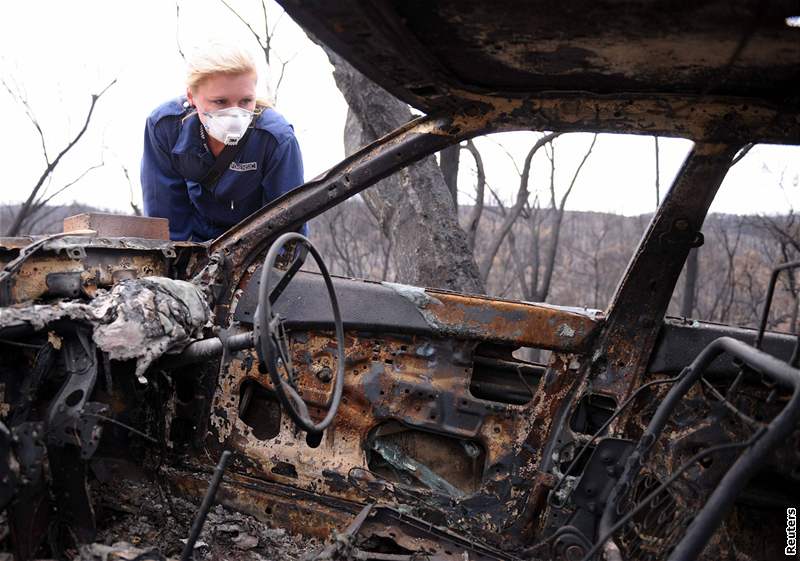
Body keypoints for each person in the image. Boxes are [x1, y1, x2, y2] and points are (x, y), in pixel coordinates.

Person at [141, 42, 304, 241]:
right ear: (192, 96)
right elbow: (165, 220)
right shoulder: (165, 128)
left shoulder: (276, 140)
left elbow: (288, 231)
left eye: (245, 101)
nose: (235, 113)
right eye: (220, 102)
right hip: (194, 242)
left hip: (254, 249)